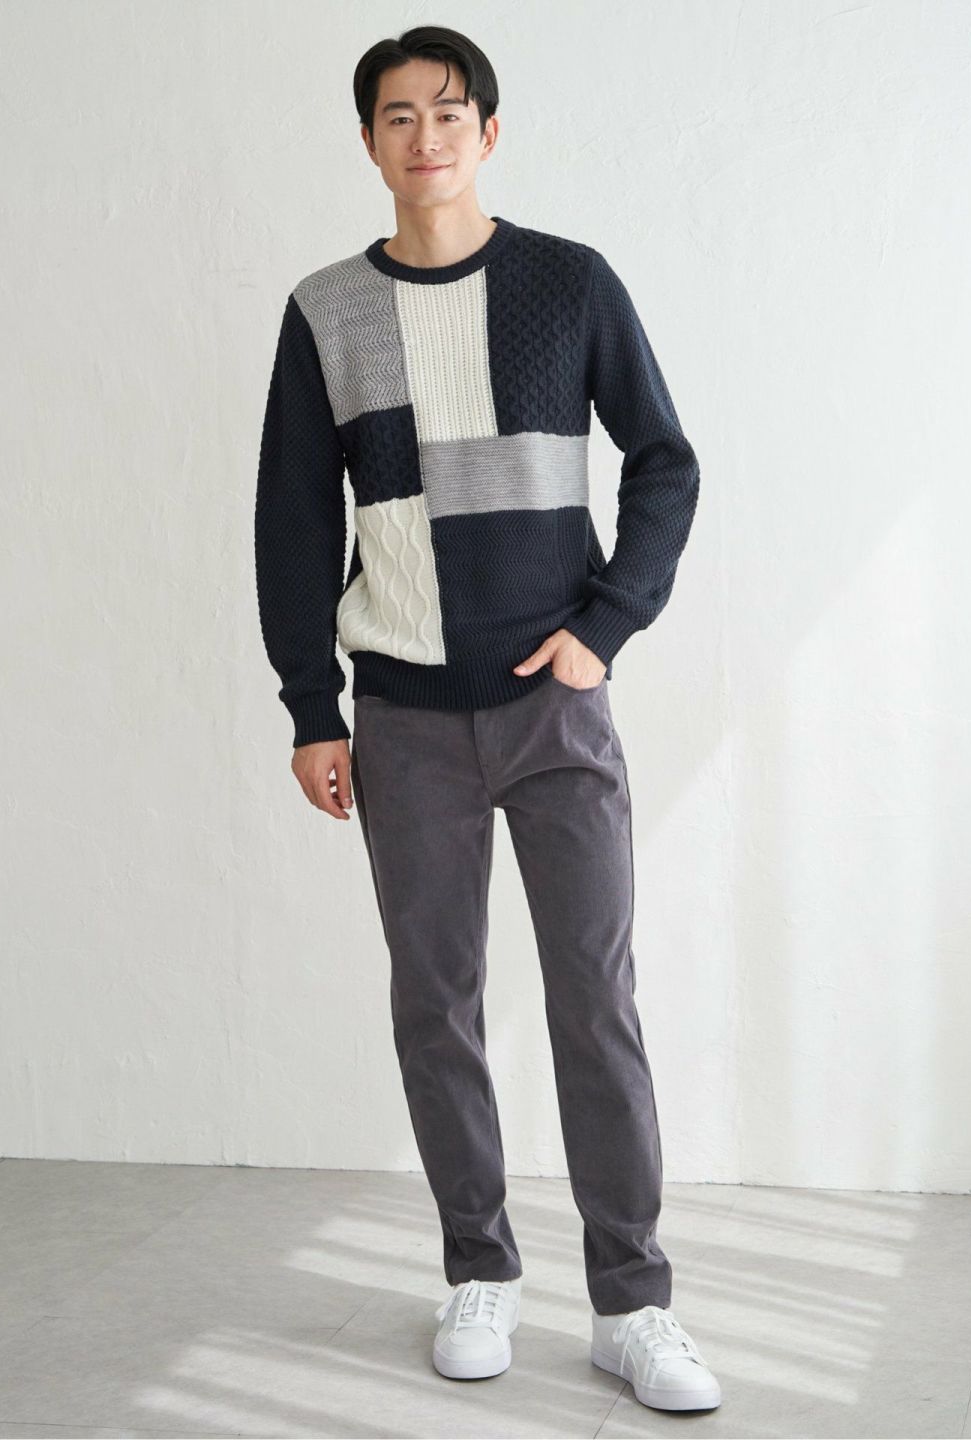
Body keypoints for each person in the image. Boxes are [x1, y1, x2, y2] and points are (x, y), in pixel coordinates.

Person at [253, 23, 721, 1415]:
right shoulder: (327, 310)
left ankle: (633, 1303)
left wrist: (608, 625)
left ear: (489, 133)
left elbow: (665, 461)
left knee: (595, 1000)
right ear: (368, 142)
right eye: (398, 116)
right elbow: (292, 523)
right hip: (402, 720)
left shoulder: (567, 284)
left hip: (554, 713)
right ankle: (480, 1269)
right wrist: (311, 706)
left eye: (449, 112)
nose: (426, 136)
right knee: (435, 1004)